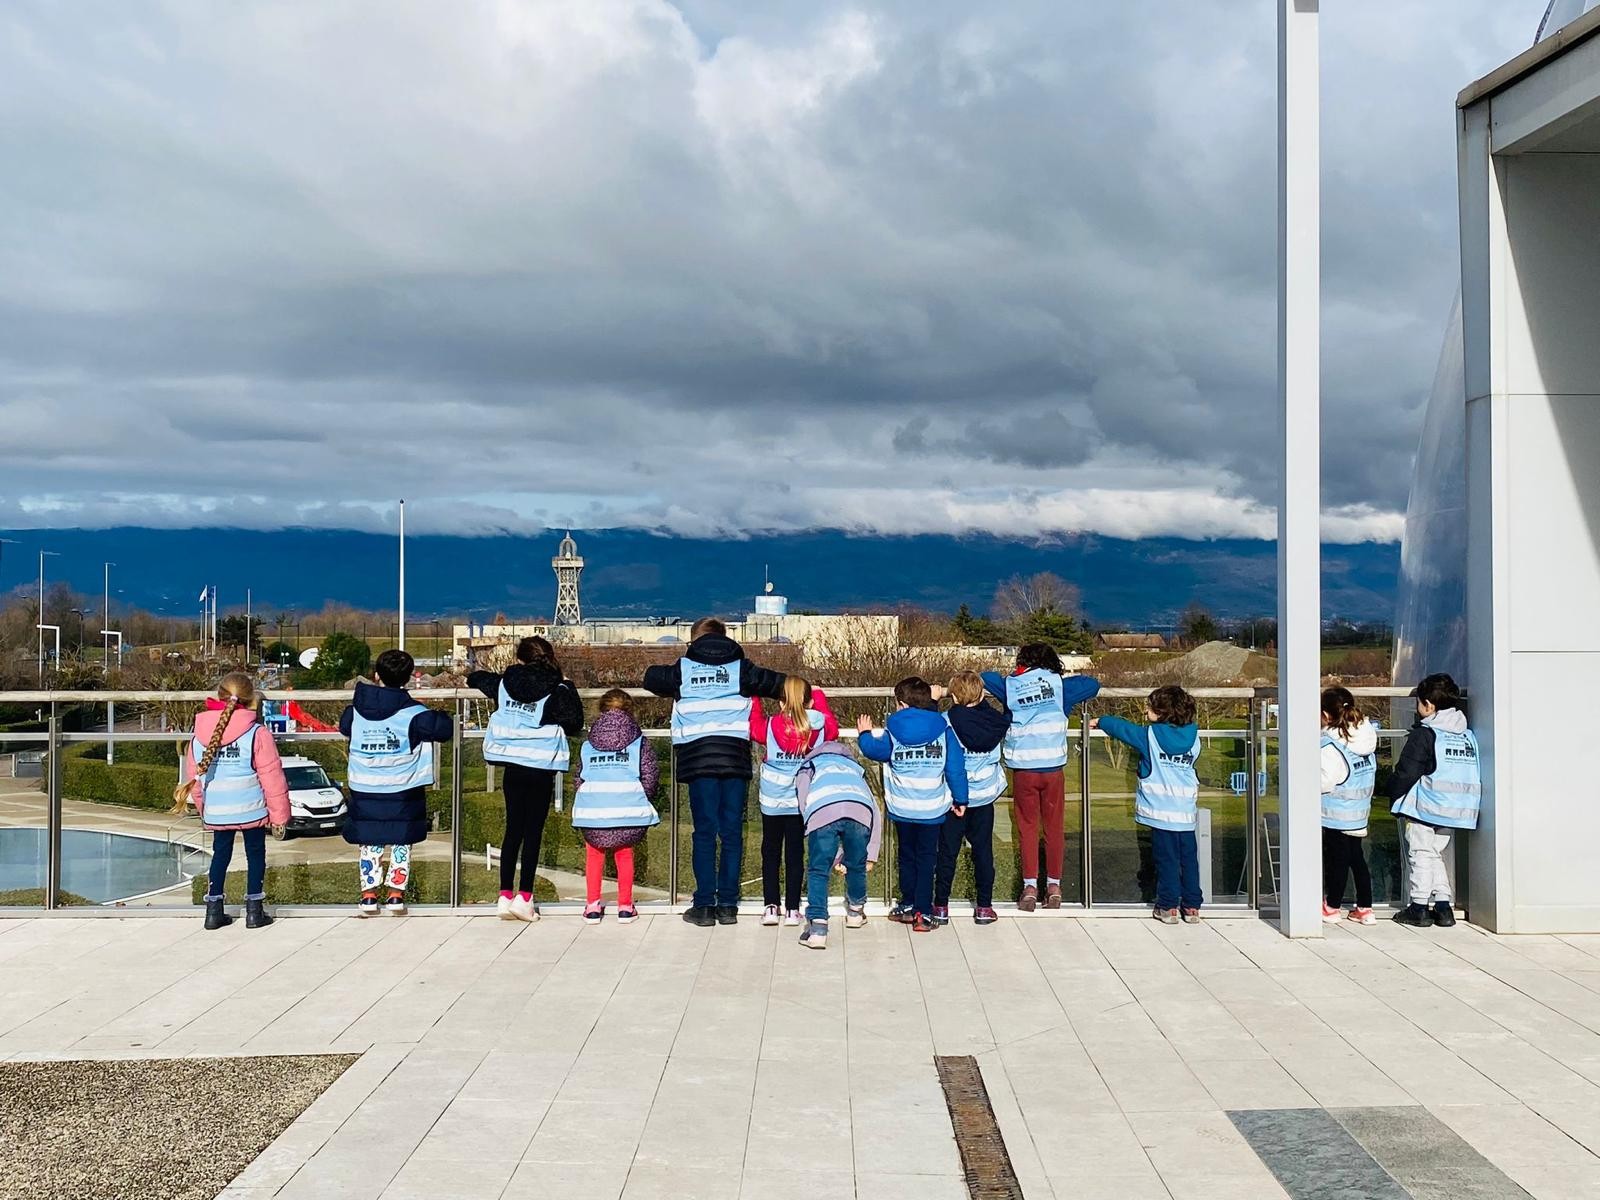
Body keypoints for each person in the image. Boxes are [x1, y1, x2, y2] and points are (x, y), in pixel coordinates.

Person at [643, 617, 786, 928]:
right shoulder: (742, 670)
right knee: (731, 832)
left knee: (705, 832)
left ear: (693, 641)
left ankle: (705, 905)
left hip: (697, 761)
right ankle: (728, 906)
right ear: (726, 638)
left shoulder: (683, 669)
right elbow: (781, 684)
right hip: (734, 758)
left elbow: (651, 678)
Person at [469, 636, 584, 922]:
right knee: (533, 832)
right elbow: (574, 722)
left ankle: (504, 895)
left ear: (519, 659)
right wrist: (567, 685)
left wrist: (479, 675)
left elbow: (477, 678)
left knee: (513, 830)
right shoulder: (557, 688)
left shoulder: (505, 683)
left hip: (512, 764)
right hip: (541, 765)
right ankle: (525, 897)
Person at [983, 644, 1100, 910]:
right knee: (1054, 828)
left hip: (1024, 768)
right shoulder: (1060, 688)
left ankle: (1030, 886)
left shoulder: (1011, 686)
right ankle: (1054, 884)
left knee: (1027, 827)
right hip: (1053, 768)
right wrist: (1055, 677)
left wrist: (1016, 675)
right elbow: (1092, 685)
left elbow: (985, 677)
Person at [340, 649, 454, 917]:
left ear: (376, 675)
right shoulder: (415, 713)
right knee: (401, 841)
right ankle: (395, 896)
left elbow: (345, 727)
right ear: (407, 678)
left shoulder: (355, 711)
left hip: (365, 788)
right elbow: (443, 730)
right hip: (403, 788)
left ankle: (368, 896)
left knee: (370, 841)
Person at [174, 672, 291, 931]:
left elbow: (196, 780)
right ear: (251, 700)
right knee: (255, 855)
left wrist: (206, 810)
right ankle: (254, 911)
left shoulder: (198, 735)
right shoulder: (256, 732)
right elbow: (272, 777)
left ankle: (213, 911)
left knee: (220, 856)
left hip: (217, 811)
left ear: (220, 696)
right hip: (252, 809)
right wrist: (280, 816)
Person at [856, 676, 969, 933]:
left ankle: (907, 904)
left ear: (902, 704)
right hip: (932, 809)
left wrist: (864, 734)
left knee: (906, 856)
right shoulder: (944, 731)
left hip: (902, 808)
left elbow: (874, 750)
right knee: (927, 858)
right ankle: (923, 912)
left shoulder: (893, 731)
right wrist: (961, 798)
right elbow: (954, 769)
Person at [1091, 686, 1202, 925]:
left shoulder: (1149, 736)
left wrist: (1102, 721)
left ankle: (1168, 906)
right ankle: (1192, 906)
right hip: (1185, 813)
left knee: (1167, 861)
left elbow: (1123, 730)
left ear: (1161, 711)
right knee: (1189, 860)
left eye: (1150, 706)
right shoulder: (1195, 737)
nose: (1145, 710)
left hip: (1160, 813)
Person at [1388, 673, 1479, 928]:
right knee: (1434, 854)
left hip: (1425, 806)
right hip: (1456, 809)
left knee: (1419, 853)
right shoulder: (1465, 734)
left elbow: (1407, 771)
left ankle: (1418, 907)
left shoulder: (1426, 734)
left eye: (1418, 703)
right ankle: (1443, 905)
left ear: (1428, 705)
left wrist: (1392, 793)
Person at [751, 676, 838, 927]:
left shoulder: (768, 725)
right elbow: (830, 724)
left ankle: (770, 906)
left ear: (780, 703)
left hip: (772, 797)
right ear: (809, 702)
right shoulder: (820, 727)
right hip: (802, 798)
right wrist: (818, 696)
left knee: (770, 849)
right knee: (795, 852)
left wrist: (755, 695)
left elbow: (753, 724)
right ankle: (792, 909)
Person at [572, 689, 661, 925]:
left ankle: (592, 906)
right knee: (624, 853)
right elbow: (650, 774)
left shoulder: (588, 744)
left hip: (593, 809)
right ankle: (624, 906)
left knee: (594, 853)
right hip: (628, 807)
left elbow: (579, 777)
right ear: (629, 711)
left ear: (601, 711)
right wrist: (640, 797)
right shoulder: (639, 742)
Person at [932, 672, 1011, 925]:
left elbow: (929, 733)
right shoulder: (996, 722)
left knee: (947, 853)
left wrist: (936, 701)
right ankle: (984, 907)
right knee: (983, 852)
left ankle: (941, 906)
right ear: (981, 695)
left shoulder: (946, 722)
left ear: (953, 696)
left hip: (955, 798)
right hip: (985, 796)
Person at [793, 738, 882, 949]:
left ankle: (818, 928)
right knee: (856, 864)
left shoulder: (810, 765)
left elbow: (804, 800)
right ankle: (855, 912)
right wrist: (871, 851)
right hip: (859, 810)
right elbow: (874, 809)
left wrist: (833, 856)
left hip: (823, 810)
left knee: (818, 870)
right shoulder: (855, 768)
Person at [1320, 686, 1379, 926]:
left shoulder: (1330, 745)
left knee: (1337, 861)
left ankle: (1331, 906)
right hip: (1358, 812)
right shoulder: (1366, 738)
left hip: (1335, 813)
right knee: (1357, 859)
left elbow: (1325, 781)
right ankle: (1365, 907)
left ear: (1325, 716)